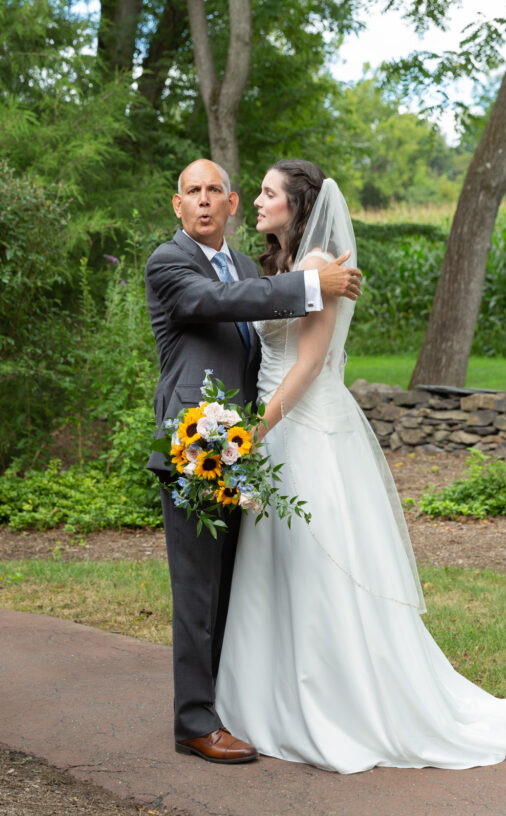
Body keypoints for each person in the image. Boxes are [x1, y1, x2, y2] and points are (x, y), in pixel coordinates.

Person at [214, 159, 506, 774]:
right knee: (278, 563)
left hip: (301, 426)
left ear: (298, 205)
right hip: (279, 427)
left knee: (316, 561)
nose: (259, 201)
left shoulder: (320, 264)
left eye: (270, 193)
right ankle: (271, 697)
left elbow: (307, 365)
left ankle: (336, 702)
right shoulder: (285, 267)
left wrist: (250, 433)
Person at [145, 158, 363, 764]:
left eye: (217, 190)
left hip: (246, 451)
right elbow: (218, 302)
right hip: (196, 444)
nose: (206, 201)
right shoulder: (170, 264)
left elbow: (270, 335)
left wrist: (258, 434)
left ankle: (229, 706)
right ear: (178, 205)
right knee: (195, 588)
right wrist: (313, 283)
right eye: (194, 192)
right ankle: (193, 722)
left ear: (233, 203)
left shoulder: (247, 264)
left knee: (232, 592)